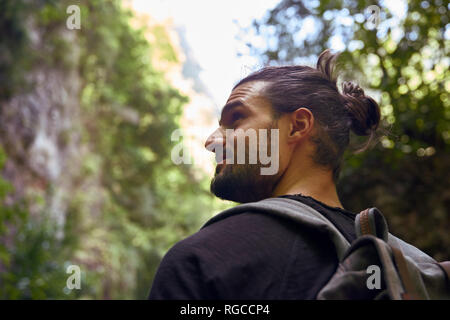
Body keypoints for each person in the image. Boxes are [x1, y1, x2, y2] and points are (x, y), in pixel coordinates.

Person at [148, 49, 381, 299]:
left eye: (236, 119)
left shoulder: (202, 261)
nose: (211, 141)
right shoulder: (408, 265)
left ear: (298, 126)